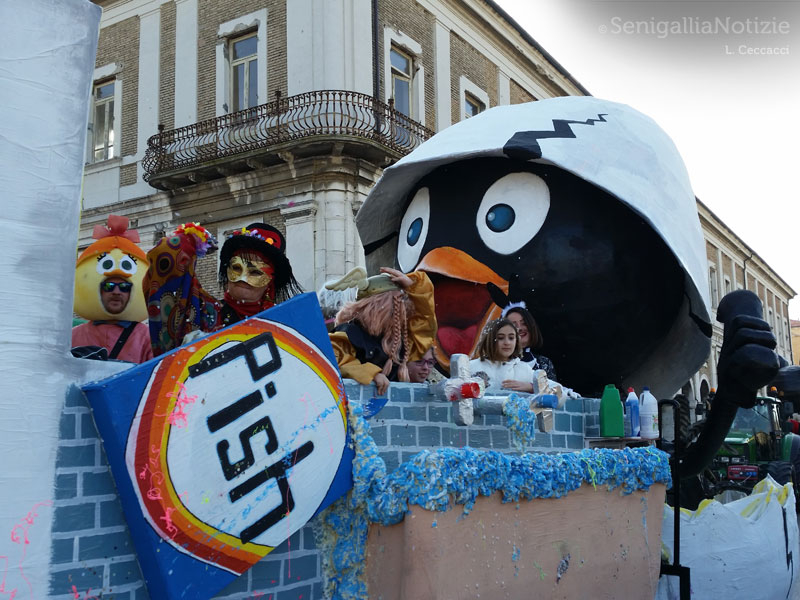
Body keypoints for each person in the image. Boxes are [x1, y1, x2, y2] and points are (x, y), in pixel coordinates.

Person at [145, 222, 302, 355]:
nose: (243, 278)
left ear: (270, 282)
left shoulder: (284, 325)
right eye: (236, 268)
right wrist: (187, 240)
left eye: (255, 272)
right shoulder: (203, 312)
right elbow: (165, 262)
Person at [327, 266, 436, 396]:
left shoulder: (399, 341)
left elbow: (424, 328)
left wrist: (414, 287)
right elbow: (335, 359)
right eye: (395, 305)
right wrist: (371, 374)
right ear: (376, 306)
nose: (402, 311)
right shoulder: (349, 331)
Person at [71, 215, 153, 363]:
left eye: (124, 287)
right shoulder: (73, 336)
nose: (116, 292)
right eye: (108, 286)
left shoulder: (147, 337)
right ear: (98, 288)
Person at [469, 318, 536, 393]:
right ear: (489, 340)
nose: (507, 342)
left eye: (511, 338)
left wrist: (532, 387)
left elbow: (550, 388)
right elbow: (455, 393)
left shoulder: (525, 369)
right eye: (500, 338)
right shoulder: (471, 367)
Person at [503, 304, 557, 381]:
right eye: (513, 325)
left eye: (524, 323)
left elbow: (554, 391)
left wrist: (532, 388)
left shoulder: (544, 363)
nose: (520, 328)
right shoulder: (495, 363)